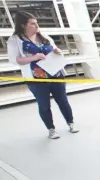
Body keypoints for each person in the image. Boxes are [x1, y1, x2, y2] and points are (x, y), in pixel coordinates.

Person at [7, 11, 79, 140]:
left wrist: (57, 51)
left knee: (63, 101)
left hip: (55, 74)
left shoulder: (44, 36)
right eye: (33, 24)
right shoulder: (14, 40)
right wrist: (33, 58)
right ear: (24, 25)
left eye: (37, 23)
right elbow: (13, 59)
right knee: (44, 104)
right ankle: (51, 129)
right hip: (36, 78)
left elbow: (55, 49)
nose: (36, 26)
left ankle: (71, 123)